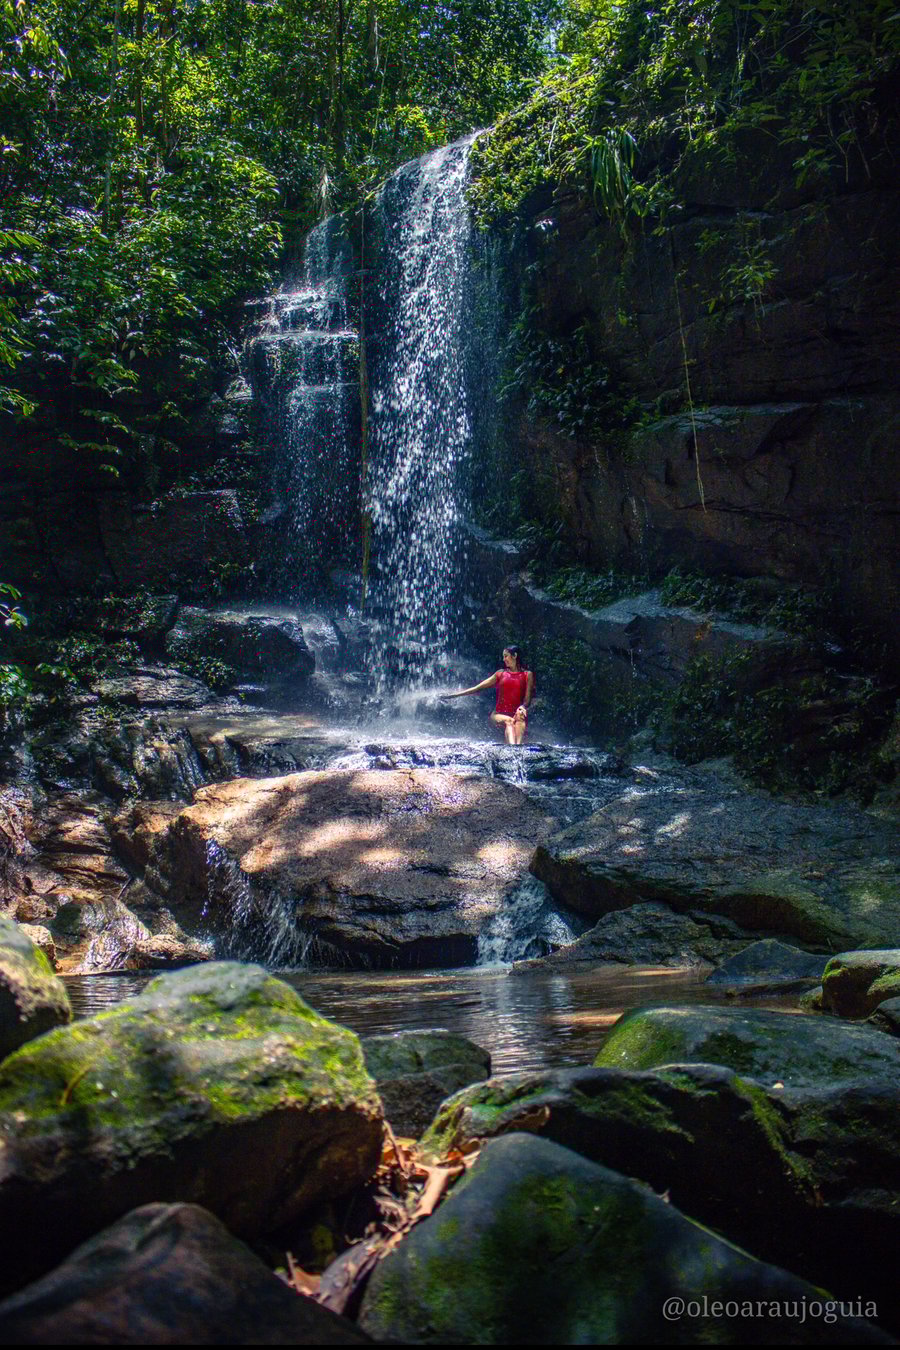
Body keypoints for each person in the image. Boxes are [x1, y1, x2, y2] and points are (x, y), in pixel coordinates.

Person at [443, 646, 535, 745]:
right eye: (503, 657)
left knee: (520, 717)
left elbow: (527, 700)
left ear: (515, 656)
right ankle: (512, 749)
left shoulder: (527, 675)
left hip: (516, 713)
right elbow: (477, 688)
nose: (504, 659)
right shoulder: (500, 674)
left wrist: (522, 706)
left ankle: (518, 748)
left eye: (505, 656)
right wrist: (452, 696)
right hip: (497, 714)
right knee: (509, 721)